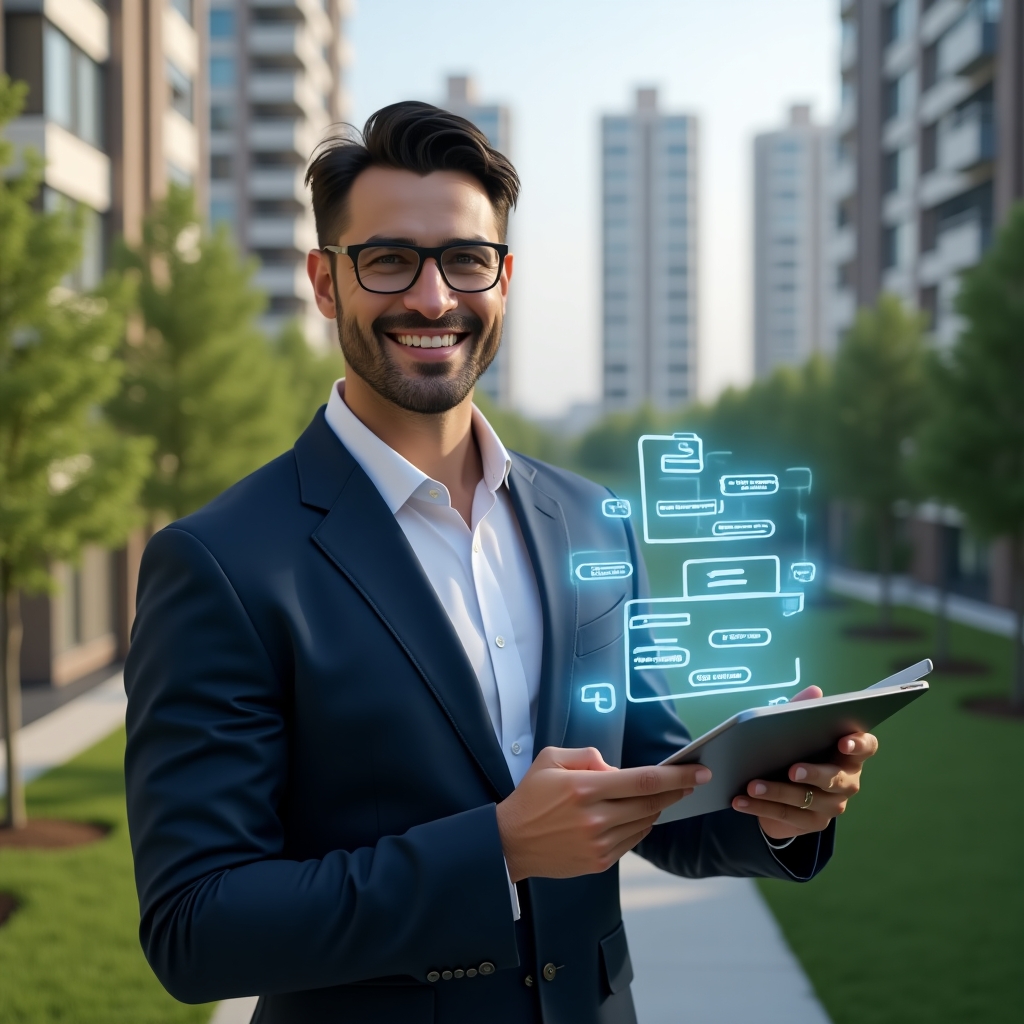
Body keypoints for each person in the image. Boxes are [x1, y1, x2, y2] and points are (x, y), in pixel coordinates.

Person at [124, 102, 878, 1024]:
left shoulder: (594, 521)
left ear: (504, 277)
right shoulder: (220, 562)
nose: (433, 299)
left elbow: (644, 775)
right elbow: (197, 928)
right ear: (326, 283)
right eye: (388, 259)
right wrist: (498, 851)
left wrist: (769, 804)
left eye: (464, 260)